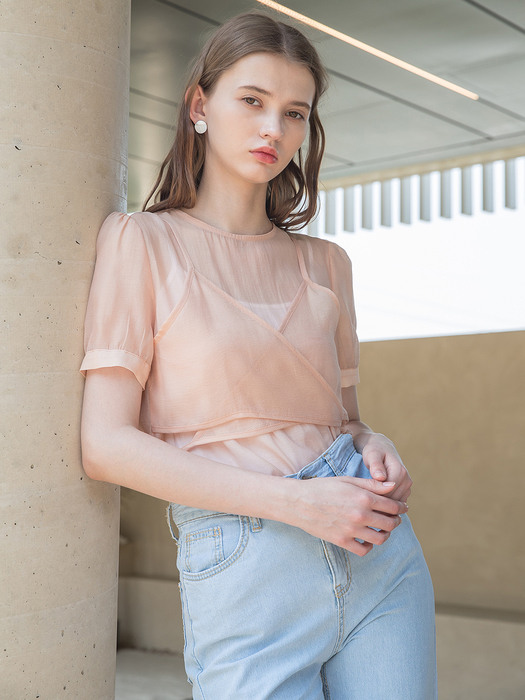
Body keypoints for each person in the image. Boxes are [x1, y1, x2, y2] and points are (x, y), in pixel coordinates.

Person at [80, 12, 437, 699]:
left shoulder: (328, 264)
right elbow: (104, 445)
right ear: (199, 106)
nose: (273, 129)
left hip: (377, 553)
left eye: (294, 112)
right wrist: (297, 506)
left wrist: (373, 439)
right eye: (252, 101)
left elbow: (343, 421)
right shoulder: (140, 243)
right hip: (246, 560)